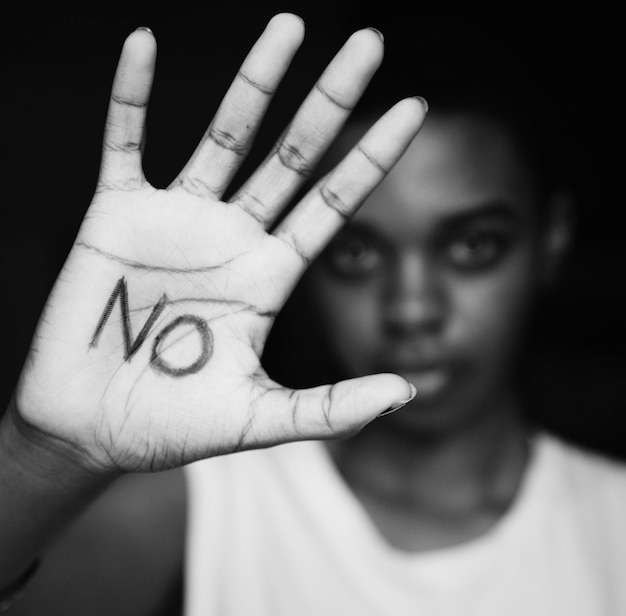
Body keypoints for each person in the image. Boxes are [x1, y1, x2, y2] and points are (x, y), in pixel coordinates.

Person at [1, 11, 625, 616]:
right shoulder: (203, 505)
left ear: (553, 240)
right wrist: (42, 456)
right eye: (354, 252)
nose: (412, 309)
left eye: (472, 247)